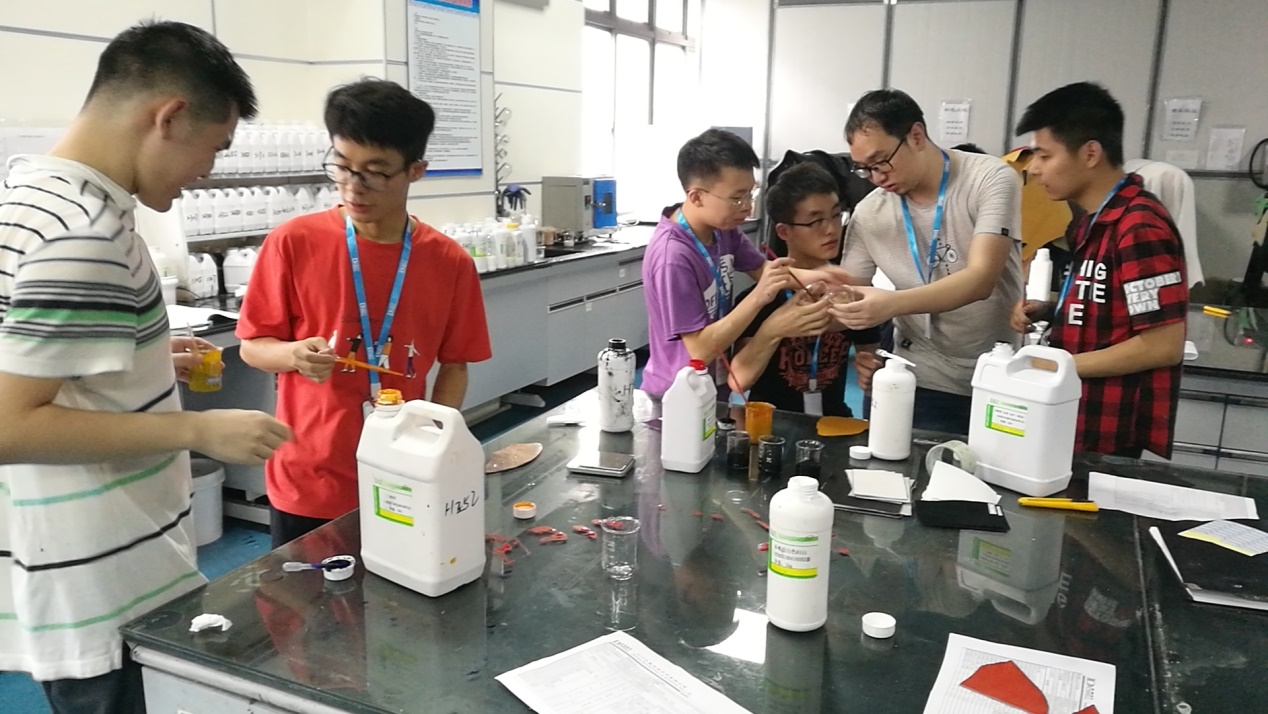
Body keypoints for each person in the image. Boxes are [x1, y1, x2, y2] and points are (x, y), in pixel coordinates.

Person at [0, 20, 291, 714]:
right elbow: (10, 426)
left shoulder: (30, 198)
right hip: (106, 584)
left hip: (67, 561)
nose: (207, 173)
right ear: (169, 117)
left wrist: (139, 358)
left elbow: (29, 360)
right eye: (214, 147)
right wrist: (199, 431)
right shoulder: (84, 234)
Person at [237, 79, 492, 547]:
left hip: (404, 472)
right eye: (342, 166)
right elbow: (253, 346)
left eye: (375, 172)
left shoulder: (449, 262)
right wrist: (293, 355)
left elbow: (455, 365)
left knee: (400, 588)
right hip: (309, 478)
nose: (354, 187)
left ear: (415, 171)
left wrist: (433, 443)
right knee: (304, 593)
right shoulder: (293, 243)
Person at [1012, 82, 1187, 459]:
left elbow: (1163, 345)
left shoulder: (1138, 226)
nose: (1035, 168)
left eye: (1044, 155)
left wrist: (1054, 366)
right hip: (1076, 419)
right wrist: (1052, 308)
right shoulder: (1091, 222)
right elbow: (1114, 306)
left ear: (1090, 153)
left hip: (1109, 430)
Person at [834, 89, 1023, 434]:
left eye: (881, 161)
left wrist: (891, 303)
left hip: (995, 373)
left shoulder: (989, 178)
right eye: (865, 169)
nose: (876, 177)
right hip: (914, 374)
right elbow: (850, 292)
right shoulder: (870, 212)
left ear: (916, 136)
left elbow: (981, 279)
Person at [640, 129, 797, 399]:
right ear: (697, 197)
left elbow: (763, 271)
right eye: (737, 198)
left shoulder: (722, 228)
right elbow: (699, 349)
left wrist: (828, 279)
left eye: (750, 194)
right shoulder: (673, 257)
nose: (747, 207)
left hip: (713, 384)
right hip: (678, 395)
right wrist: (759, 297)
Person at [731, 163, 880, 416]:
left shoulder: (851, 292)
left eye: (837, 215)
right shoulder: (761, 299)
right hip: (770, 423)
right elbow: (738, 381)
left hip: (834, 422)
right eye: (816, 221)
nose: (832, 229)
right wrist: (772, 330)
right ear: (784, 231)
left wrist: (873, 372)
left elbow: (871, 354)